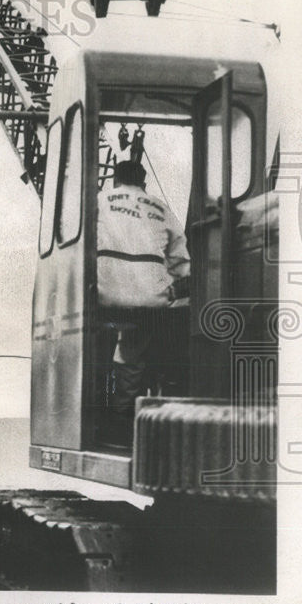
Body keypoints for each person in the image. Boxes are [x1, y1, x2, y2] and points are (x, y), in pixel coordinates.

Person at [96, 158, 190, 441]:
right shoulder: (159, 206)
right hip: (151, 298)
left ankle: (102, 403)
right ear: (144, 183)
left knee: (101, 347)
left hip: (105, 292)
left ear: (115, 180)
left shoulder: (100, 199)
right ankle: (124, 411)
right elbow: (180, 259)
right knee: (134, 354)